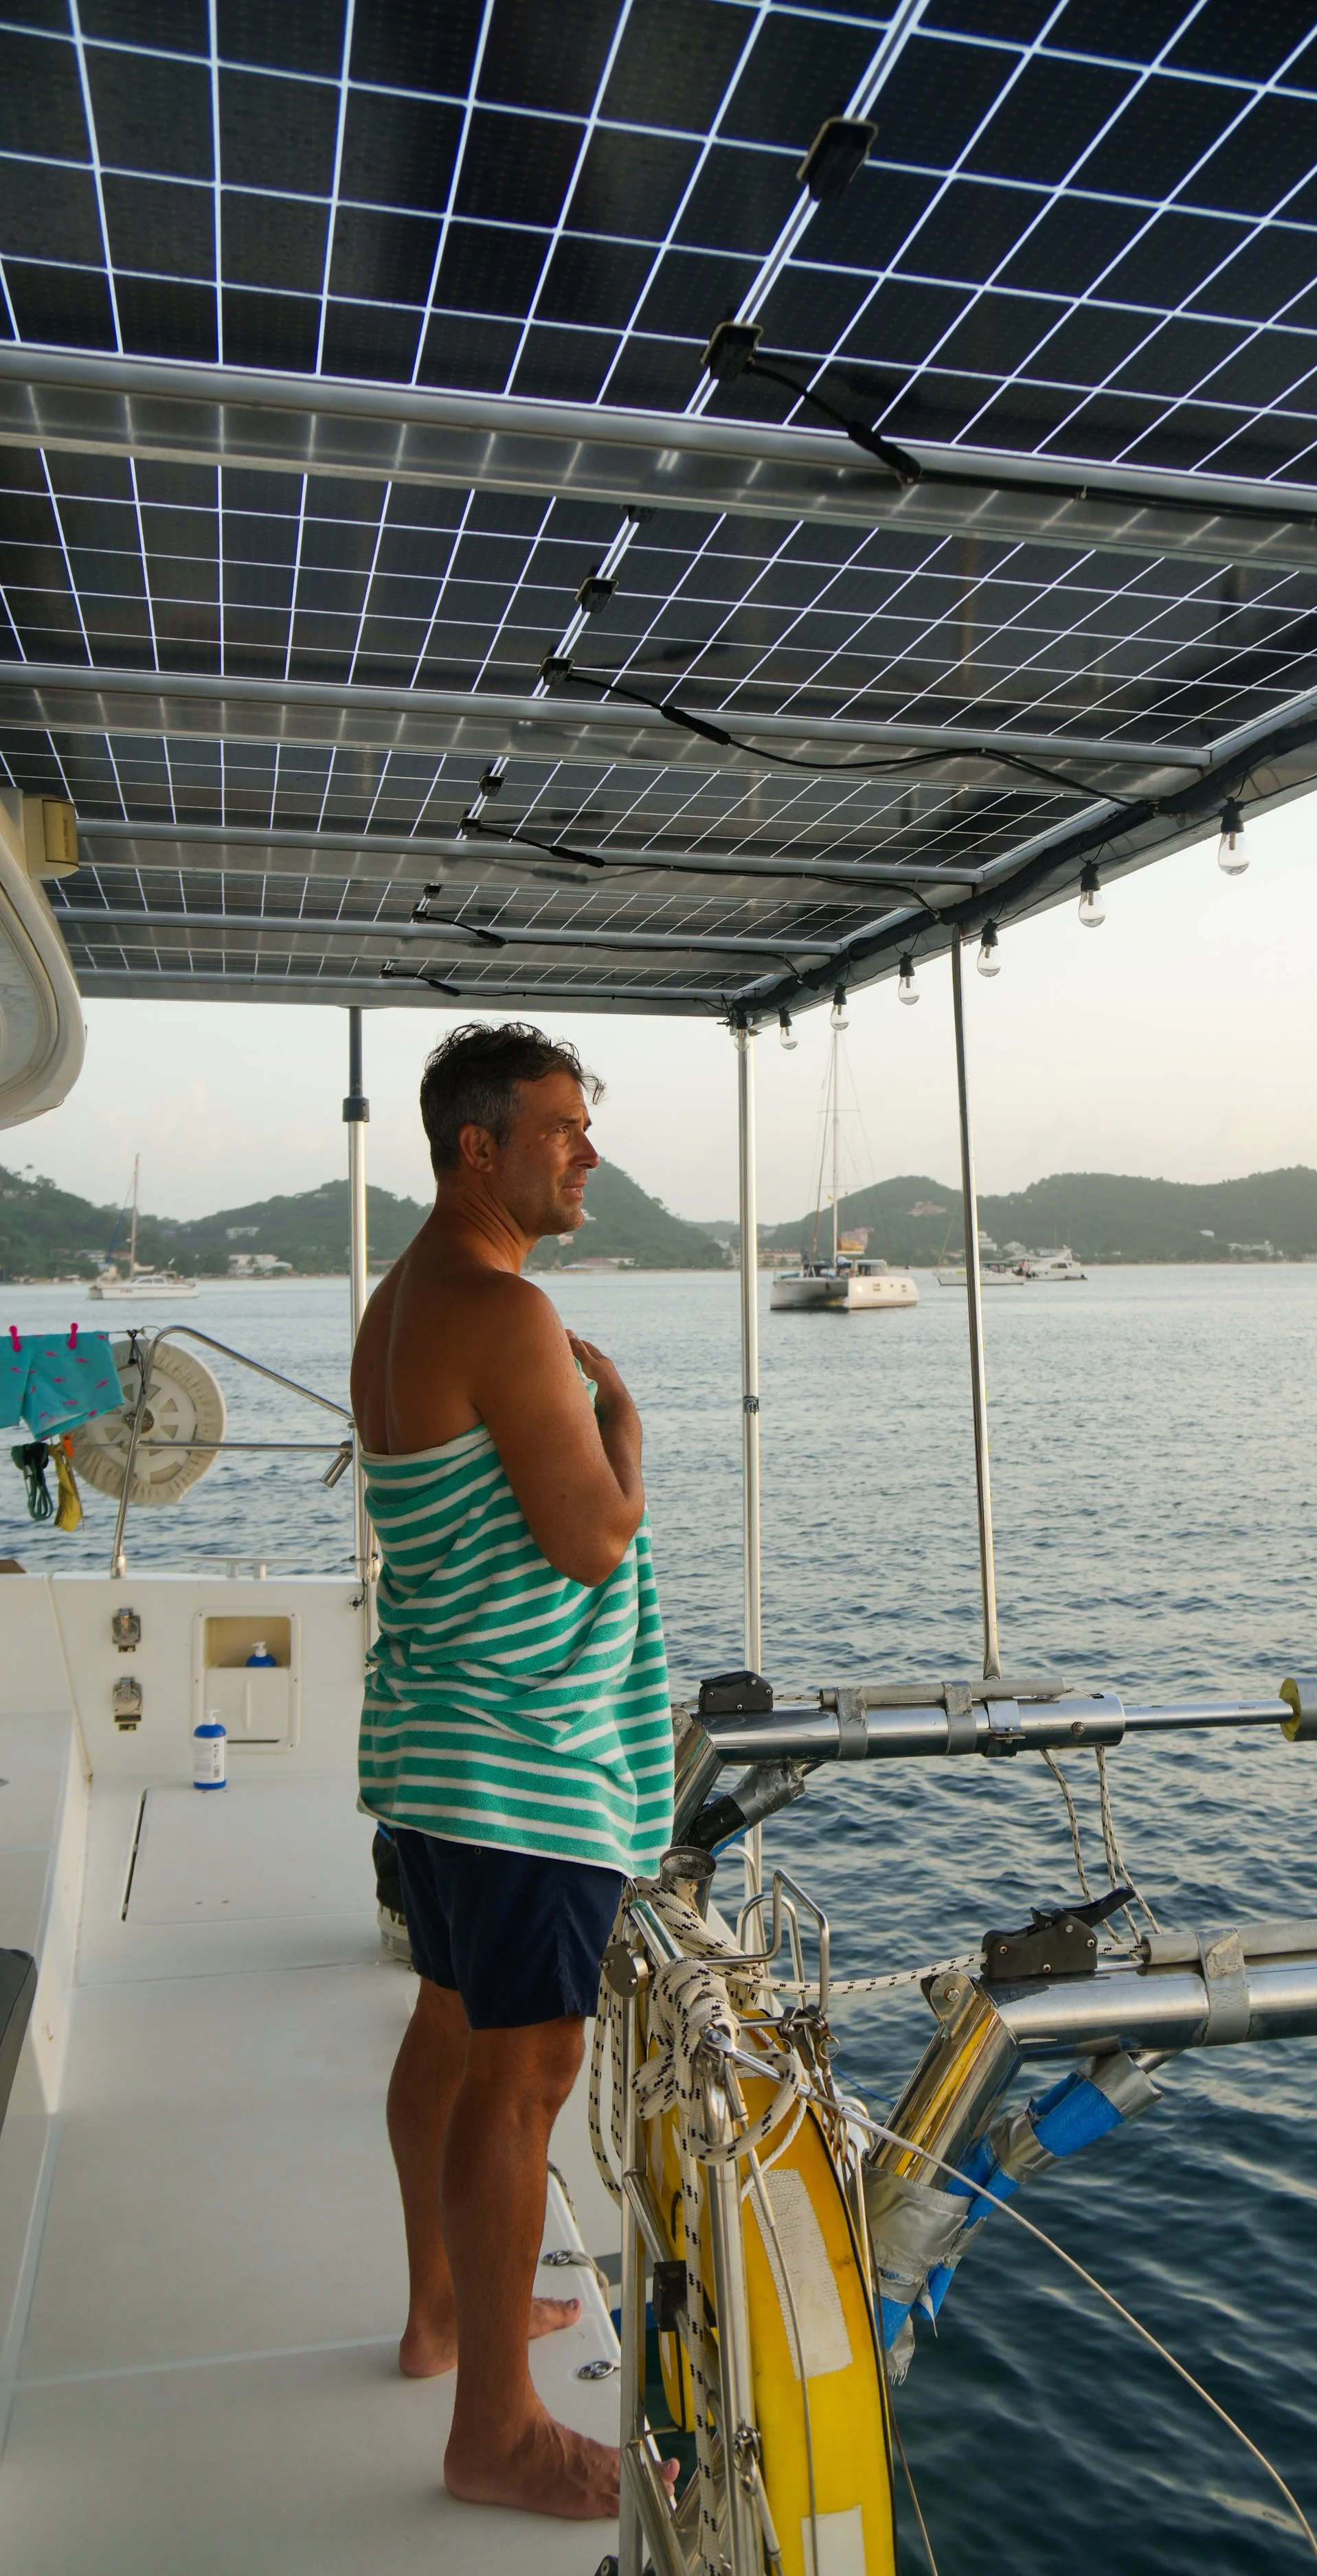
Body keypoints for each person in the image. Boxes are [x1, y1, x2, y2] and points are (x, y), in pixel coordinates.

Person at [351, 1020, 675, 2520]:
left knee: (450, 2032)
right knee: (524, 2074)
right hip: (521, 1763)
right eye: (560, 1128)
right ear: (477, 1147)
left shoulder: (397, 1299)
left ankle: (440, 2315)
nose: (587, 1153)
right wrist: (623, 1430)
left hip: (439, 1754)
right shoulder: (505, 1310)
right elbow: (590, 1537)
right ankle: (496, 2429)